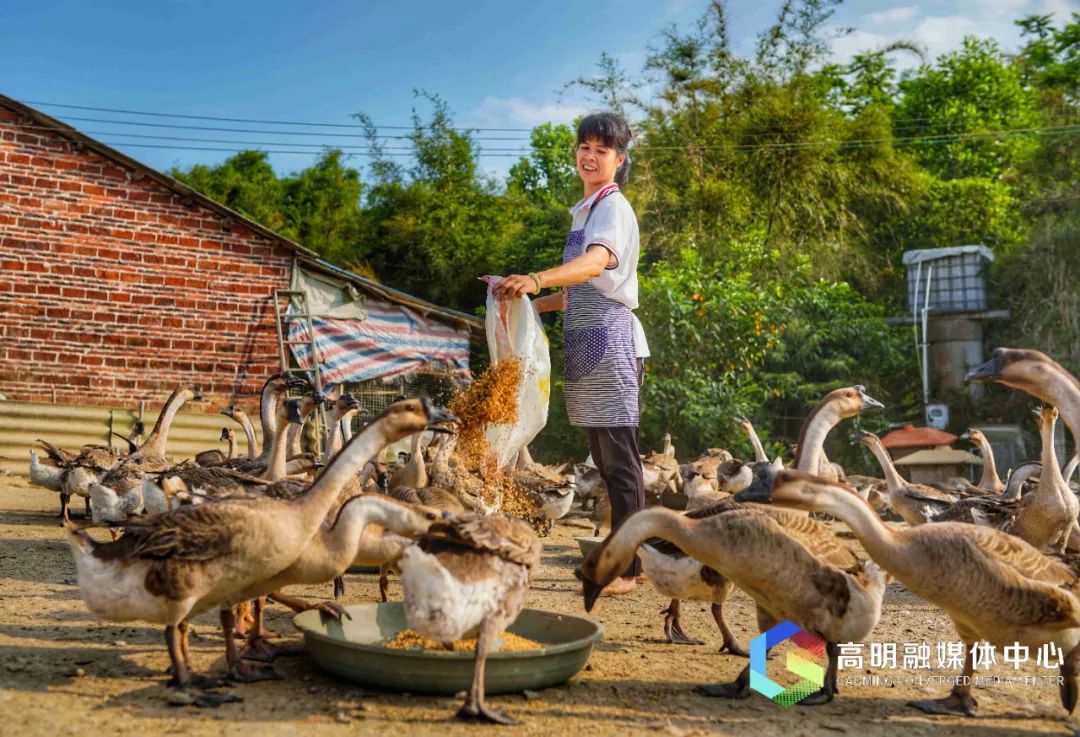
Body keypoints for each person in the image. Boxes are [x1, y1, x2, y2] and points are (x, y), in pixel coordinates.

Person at [493, 112, 648, 596]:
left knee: (621, 461)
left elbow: (598, 264)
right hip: (587, 340)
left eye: (602, 150)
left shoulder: (612, 208)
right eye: (584, 146)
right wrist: (532, 303)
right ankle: (624, 555)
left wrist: (538, 278)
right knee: (605, 459)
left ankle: (630, 566)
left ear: (618, 161)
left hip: (612, 341)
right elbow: (581, 287)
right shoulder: (585, 210)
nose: (590, 156)